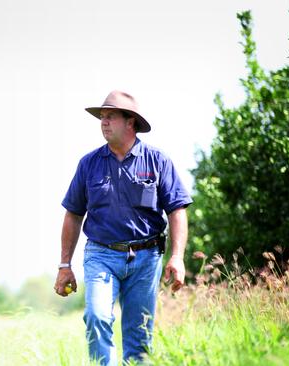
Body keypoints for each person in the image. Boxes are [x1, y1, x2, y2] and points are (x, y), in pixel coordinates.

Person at [54, 90, 192, 365]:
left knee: (139, 336)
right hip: (101, 255)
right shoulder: (89, 164)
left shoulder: (157, 161)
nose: (103, 122)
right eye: (101, 117)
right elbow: (73, 214)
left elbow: (176, 210)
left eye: (110, 117)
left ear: (130, 122)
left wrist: (177, 257)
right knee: (97, 316)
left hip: (146, 258)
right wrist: (64, 265)